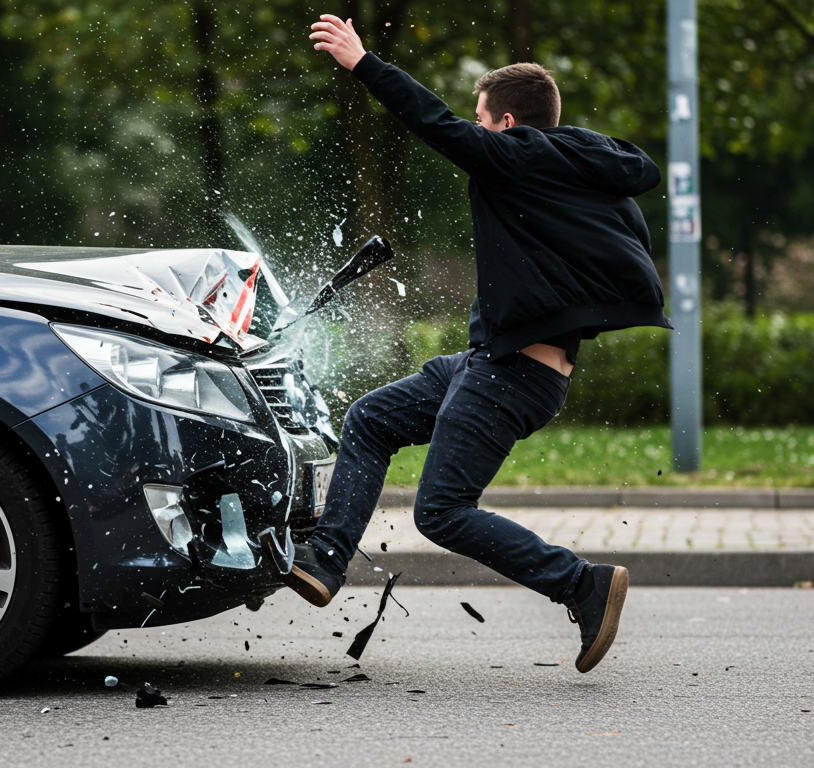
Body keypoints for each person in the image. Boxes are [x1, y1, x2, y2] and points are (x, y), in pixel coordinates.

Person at [270, 15, 673, 674]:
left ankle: (581, 585)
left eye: (482, 119)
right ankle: (323, 563)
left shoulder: (519, 159)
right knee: (371, 418)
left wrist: (363, 63)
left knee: (442, 511)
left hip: (510, 375)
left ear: (507, 124)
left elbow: (434, 124)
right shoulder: (569, 167)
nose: (475, 130)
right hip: (487, 364)